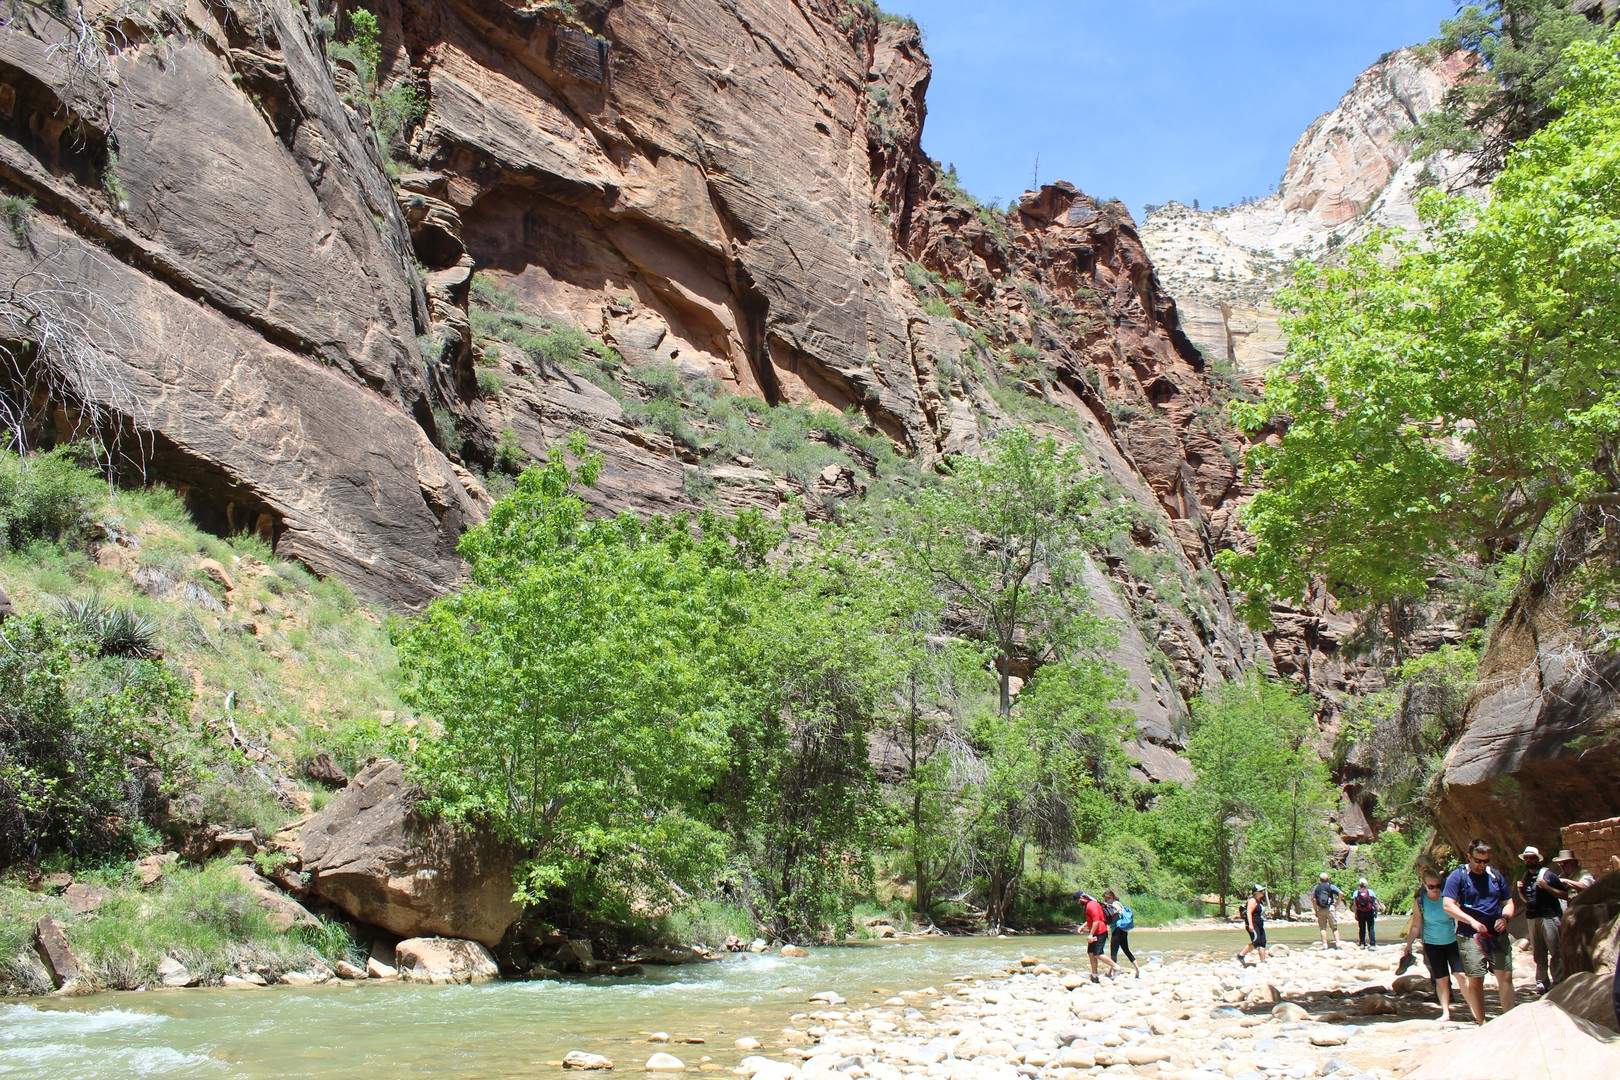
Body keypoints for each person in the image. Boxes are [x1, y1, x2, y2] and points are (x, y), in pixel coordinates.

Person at [1442, 839, 1517, 1023]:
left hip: (1497, 934)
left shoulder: (1495, 875)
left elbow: (1508, 903)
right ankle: (1482, 1023)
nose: (1481, 865)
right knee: (1475, 979)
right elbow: (1448, 905)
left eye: (1485, 861)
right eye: (1478, 861)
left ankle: (1510, 1021)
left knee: (1506, 976)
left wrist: (1505, 918)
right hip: (1470, 935)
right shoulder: (1458, 876)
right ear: (1469, 857)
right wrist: (1472, 922)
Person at [1402, 870, 1463, 1022]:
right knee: (1441, 979)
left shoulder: (1448, 898)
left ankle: (1475, 1009)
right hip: (1432, 944)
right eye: (1431, 886)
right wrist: (1408, 945)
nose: (1435, 889)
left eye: (1438, 886)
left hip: (1452, 942)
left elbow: (1459, 917)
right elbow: (1416, 926)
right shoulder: (1420, 902)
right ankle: (1445, 1012)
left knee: (1461, 976)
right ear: (1424, 885)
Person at [1515, 845, 1564, 992]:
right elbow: (1528, 900)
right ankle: (1542, 982)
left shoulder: (1549, 875)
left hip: (1549, 916)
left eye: (1532, 858)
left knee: (1555, 950)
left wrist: (1546, 887)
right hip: (1532, 917)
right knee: (1538, 952)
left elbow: (1564, 894)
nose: (1529, 860)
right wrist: (1520, 891)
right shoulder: (1525, 877)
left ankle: (1559, 981)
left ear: (1538, 859)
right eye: (1526, 858)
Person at [1076, 891, 1119, 983]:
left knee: (1098, 954)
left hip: (1100, 932)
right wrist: (1083, 926)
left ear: (1081, 898)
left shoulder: (1091, 905)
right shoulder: (1090, 904)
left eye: (1078, 901)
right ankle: (1094, 976)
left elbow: (1096, 921)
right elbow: (1091, 919)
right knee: (1091, 953)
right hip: (1096, 932)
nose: (1078, 903)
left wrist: (1091, 934)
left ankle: (1116, 968)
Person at [1101, 889, 1141, 977]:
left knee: (1113, 952)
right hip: (1123, 930)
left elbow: (1112, 914)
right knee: (1126, 950)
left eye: (1107, 899)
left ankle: (1110, 973)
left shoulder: (1115, 905)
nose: (1106, 901)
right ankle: (1137, 969)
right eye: (1105, 900)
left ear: (1111, 897)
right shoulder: (1118, 904)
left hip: (1117, 930)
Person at [1237, 884, 1269, 965]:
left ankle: (1263, 962)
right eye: (1261, 891)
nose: (1262, 892)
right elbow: (1249, 912)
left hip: (1260, 924)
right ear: (1256, 892)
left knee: (1262, 942)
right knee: (1256, 942)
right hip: (1253, 924)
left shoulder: (1259, 901)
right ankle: (1241, 955)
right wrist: (1250, 925)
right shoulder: (1252, 900)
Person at [1312, 872, 1343, 949]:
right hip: (1330, 908)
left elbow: (1314, 900)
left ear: (1320, 879)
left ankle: (1325, 946)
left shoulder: (1316, 887)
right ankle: (1338, 945)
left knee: (1322, 928)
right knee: (1334, 928)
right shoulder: (1330, 886)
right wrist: (1337, 903)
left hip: (1320, 909)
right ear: (1328, 879)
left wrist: (1316, 911)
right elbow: (1341, 893)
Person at [1352, 878, 1380, 948]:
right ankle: (1372, 944)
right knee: (1371, 928)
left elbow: (1355, 905)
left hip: (1360, 912)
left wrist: (1355, 914)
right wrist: (1375, 912)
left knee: (1362, 928)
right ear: (1366, 884)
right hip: (1370, 912)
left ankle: (1362, 943)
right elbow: (1374, 903)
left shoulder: (1356, 892)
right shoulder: (1371, 892)